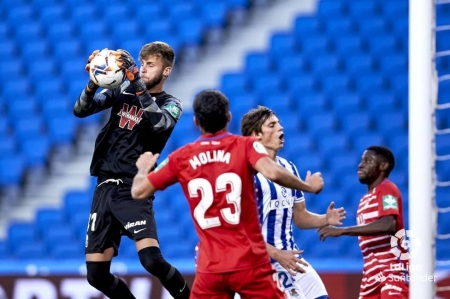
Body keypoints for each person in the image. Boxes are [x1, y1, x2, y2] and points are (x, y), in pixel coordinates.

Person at [131, 89, 325, 298]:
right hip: (248, 262)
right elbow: (272, 171)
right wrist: (308, 186)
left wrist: (143, 169)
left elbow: (138, 191)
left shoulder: (181, 157)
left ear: (196, 121)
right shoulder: (245, 146)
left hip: (210, 266)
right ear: (229, 117)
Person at [73, 42, 190, 299]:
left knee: (151, 261)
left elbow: (159, 124)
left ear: (166, 71)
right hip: (104, 186)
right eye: (143, 63)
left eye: (151, 65)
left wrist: (136, 82)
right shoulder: (121, 91)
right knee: (96, 275)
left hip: (133, 186)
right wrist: (93, 81)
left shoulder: (172, 104)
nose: (145, 69)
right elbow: (81, 110)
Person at [240, 106, 345, 299]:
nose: (281, 127)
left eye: (279, 123)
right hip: (263, 263)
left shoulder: (288, 167)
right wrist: (277, 254)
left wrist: (325, 219)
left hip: (290, 259)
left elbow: (300, 215)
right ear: (256, 135)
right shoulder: (247, 174)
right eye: (272, 125)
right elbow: (242, 235)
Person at [317, 146, 409, 299]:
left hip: (391, 269)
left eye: (368, 161)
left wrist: (343, 231)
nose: (360, 165)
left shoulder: (387, 189)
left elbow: (388, 224)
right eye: (361, 161)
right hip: (371, 273)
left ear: (383, 166)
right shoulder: (364, 200)